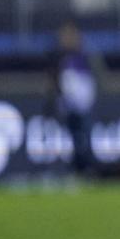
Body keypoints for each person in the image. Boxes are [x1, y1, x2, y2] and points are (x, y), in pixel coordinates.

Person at [51, 20, 100, 176]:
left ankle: (87, 168)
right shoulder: (59, 57)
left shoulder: (86, 55)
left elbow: (95, 78)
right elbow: (55, 80)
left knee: (85, 137)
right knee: (71, 138)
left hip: (83, 105)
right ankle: (74, 168)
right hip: (67, 105)